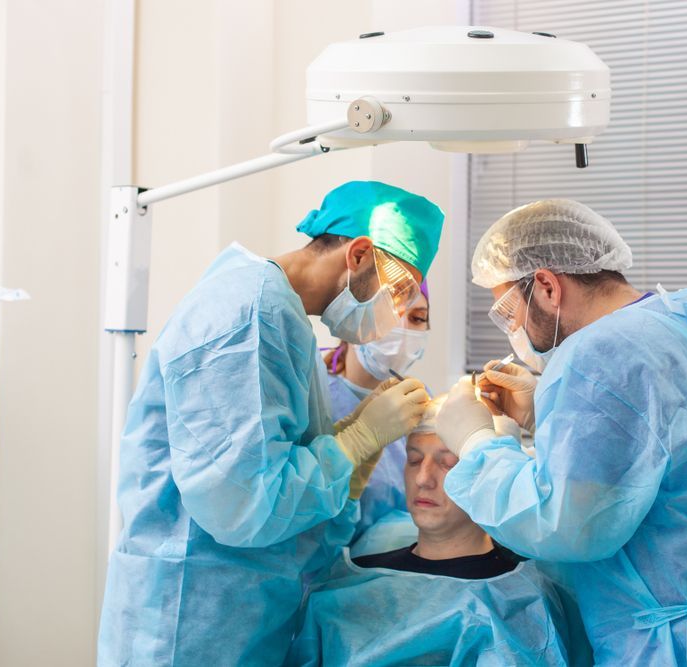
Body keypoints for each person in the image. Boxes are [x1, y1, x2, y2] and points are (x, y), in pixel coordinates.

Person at [435, 199, 687, 666]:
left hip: (679, 645)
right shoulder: (673, 321)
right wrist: (542, 416)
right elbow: (656, 452)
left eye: (507, 308)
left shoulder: (598, 355)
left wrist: (479, 445)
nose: (511, 327)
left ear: (547, 286)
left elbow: (564, 524)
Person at [98, 181, 443, 666]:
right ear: (360, 254)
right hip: (190, 617)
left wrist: (353, 452)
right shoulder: (247, 315)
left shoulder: (280, 317)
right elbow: (241, 503)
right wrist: (357, 439)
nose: (397, 313)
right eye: (400, 289)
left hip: (239, 613)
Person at [285, 397, 591, 667]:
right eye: (414, 459)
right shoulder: (347, 582)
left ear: (489, 477)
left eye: (448, 463)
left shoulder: (524, 600)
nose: (423, 478)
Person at [321, 280, 431, 538]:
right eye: (388, 315)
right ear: (350, 319)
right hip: (325, 570)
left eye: (417, 318)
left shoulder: (420, 403)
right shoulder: (314, 395)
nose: (402, 330)